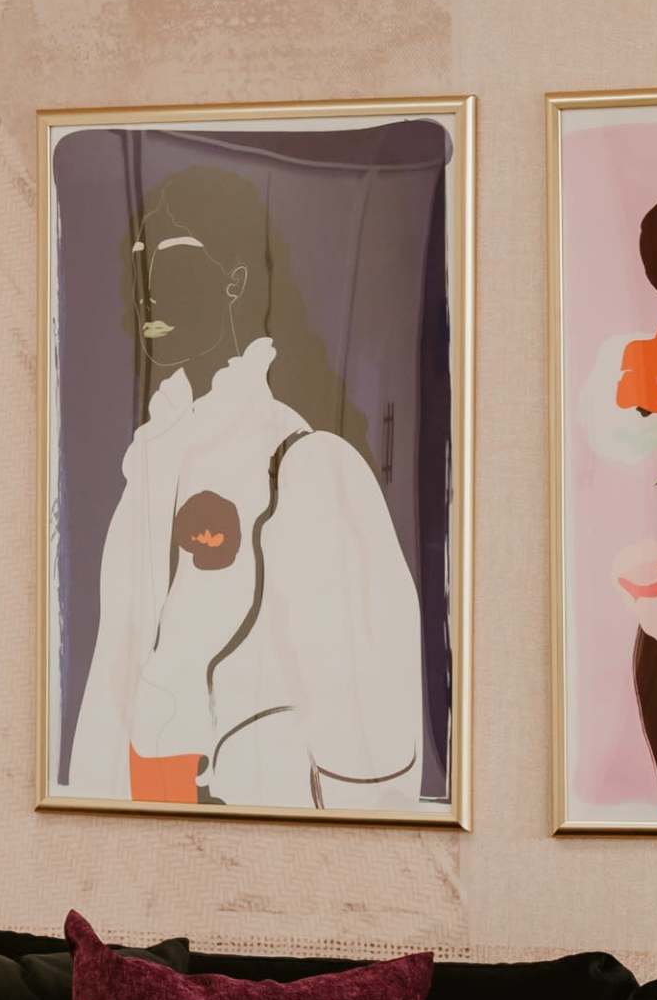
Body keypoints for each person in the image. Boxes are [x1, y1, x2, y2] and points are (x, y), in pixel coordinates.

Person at [60, 163, 425, 810]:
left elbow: (368, 716)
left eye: (171, 261)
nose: (148, 291)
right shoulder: (148, 463)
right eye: (140, 262)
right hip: (134, 821)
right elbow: (114, 665)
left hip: (245, 819)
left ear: (235, 281)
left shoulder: (302, 463)